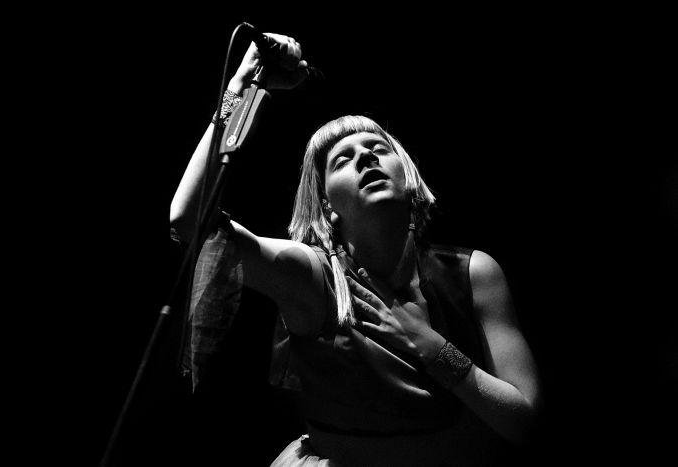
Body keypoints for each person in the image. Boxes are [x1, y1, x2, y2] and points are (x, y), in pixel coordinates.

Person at [170, 32, 542, 467]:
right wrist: (241, 88)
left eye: (378, 149)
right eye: (342, 160)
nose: (366, 158)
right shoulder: (312, 277)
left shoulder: (473, 272)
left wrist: (434, 349)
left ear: (409, 179)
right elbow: (188, 221)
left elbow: (525, 423)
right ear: (327, 205)